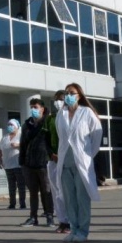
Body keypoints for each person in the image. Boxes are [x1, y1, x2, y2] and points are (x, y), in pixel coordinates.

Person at [56, 83, 102, 243]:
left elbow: (96, 137)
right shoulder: (60, 114)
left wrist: (88, 155)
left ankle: (83, 231)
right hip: (65, 163)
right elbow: (61, 137)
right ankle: (73, 229)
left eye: (72, 93)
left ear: (79, 95)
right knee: (69, 199)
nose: (68, 95)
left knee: (82, 199)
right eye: (66, 92)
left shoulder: (87, 112)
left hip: (81, 162)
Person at [18, 95, 54, 228]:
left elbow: (52, 141)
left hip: (44, 163)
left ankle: (49, 215)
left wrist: (51, 155)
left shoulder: (48, 123)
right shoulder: (26, 125)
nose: (33, 109)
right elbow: (23, 143)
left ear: (42, 109)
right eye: (31, 107)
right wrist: (22, 161)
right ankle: (33, 217)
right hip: (29, 163)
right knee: (33, 192)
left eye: (36, 107)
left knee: (46, 190)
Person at [46, 90, 70, 234]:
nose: (58, 102)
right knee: (56, 192)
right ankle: (62, 221)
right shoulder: (50, 119)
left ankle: (70, 221)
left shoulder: (72, 116)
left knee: (67, 192)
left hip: (67, 160)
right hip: (53, 160)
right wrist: (51, 154)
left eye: (61, 99)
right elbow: (45, 138)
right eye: (56, 99)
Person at [0, 119, 25, 210]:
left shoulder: (21, 136)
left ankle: (22, 203)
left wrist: (18, 146)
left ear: (17, 127)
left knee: (21, 185)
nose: (10, 126)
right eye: (9, 125)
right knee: (11, 186)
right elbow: (0, 150)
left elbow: (26, 147)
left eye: (12, 125)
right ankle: (12, 203)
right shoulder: (5, 137)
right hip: (8, 165)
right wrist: (0, 160)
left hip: (18, 165)